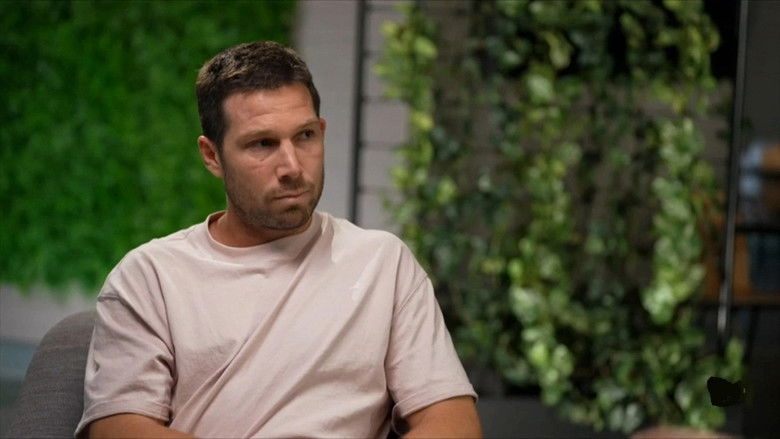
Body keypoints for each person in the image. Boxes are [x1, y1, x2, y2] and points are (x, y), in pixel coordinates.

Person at [75, 41, 481, 438]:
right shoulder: (150, 276)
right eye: (262, 144)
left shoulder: (383, 263)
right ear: (212, 156)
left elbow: (455, 424)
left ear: (322, 132)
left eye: (305, 136)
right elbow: (117, 428)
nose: (292, 167)